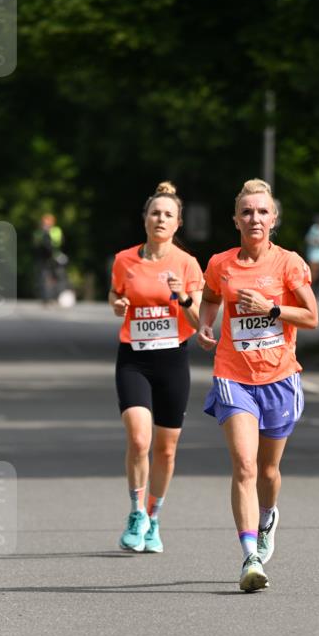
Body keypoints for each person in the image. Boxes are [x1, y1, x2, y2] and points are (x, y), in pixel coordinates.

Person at [198, 179, 319, 592]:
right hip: (233, 375)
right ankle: (250, 556)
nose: (255, 218)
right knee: (244, 465)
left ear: (274, 220)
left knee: (268, 469)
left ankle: (268, 517)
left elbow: (311, 316)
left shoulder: (288, 263)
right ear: (236, 219)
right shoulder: (220, 264)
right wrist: (204, 322)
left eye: (262, 212)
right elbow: (212, 296)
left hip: (280, 378)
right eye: (247, 212)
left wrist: (271, 308)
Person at [109, 181, 203, 553]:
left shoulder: (187, 264)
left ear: (177, 223)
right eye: (155, 213)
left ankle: (155, 516)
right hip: (134, 357)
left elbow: (198, 322)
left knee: (165, 449)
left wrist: (181, 296)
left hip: (173, 360)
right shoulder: (124, 260)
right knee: (138, 439)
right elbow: (117, 294)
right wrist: (116, 304)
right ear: (145, 219)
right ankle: (136, 512)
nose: (160, 219)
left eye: (168, 214)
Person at [32, 213, 66, 304]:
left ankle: (58, 297)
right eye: (45, 222)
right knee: (43, 278)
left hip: (55, 257)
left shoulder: (57, 231)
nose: (46, 224)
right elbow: (36, 246)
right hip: (43, 259)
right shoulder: (38, 232)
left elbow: (61, 243)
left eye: (48, 222)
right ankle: (46, 299)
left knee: (59, 277)